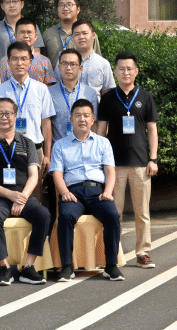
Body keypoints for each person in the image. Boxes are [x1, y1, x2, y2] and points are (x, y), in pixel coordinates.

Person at [0, 98, 53, 285]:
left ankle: (29, 267)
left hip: (23, 196)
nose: (4, 117)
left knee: (44, 215)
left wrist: (22, 198)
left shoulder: (27, 143)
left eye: (8, 113)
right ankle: (4, 267)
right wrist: (9, 195)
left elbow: (34, 176)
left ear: (16, 116)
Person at [50, 99, 124, 282]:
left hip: (98, 192)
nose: (82, 119)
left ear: (93, 120)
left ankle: (111, 265)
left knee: (112, 215)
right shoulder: (60, 145)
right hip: (73, 193)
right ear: (71, 119)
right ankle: (67, 266)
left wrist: (108, 192)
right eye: (77, 116)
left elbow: (110, 171)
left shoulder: (103, 143)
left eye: (86, 116)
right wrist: (64, 192)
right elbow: (57, 173)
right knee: (65, 216)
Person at [97, 52, 159, 269]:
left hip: (141, 164)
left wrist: (153, 159)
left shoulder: (146, 97)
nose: (125, 72)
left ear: (136, 71)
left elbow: (152, 130)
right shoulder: (107, 99)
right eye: (121, 69)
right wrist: (100, 160)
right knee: (115, 213)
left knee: (142, 212)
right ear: (115, 72)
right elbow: (101, 131)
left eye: (129, 68)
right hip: (114, 166)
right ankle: (115, 254)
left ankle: (143, 252)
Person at [0, 44, 54, 156]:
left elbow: (46, 122)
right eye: (15, 59)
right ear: (8, 62)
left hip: (35, 148)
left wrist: (47, 155)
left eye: (24, 59)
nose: (19, 63)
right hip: (6, 149)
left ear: (30, 62)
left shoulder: (41, 89)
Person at [50, 49, 98, 143]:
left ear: (80, 68)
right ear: (59, 67)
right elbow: (46, 124)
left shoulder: (90, 93)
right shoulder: (49, 92)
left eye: (72, 64)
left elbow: (94, 123)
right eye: (64, 63)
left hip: (84, 146)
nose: (68, 68)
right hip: (58, 146)